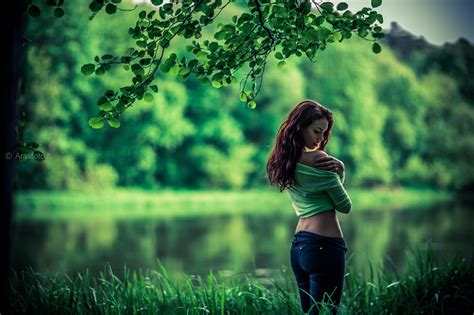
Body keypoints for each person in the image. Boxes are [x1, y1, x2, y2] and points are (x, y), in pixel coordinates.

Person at [266, 99, 352, 315]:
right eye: (316, 131)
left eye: (324, 133)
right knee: (331, 310)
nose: (320, 138)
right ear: (301, 127)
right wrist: (340, 172)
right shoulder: (320, 160)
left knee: (309, 312)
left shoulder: (285, 161)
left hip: (299, 247)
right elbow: (344, 205)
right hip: (325, 246)